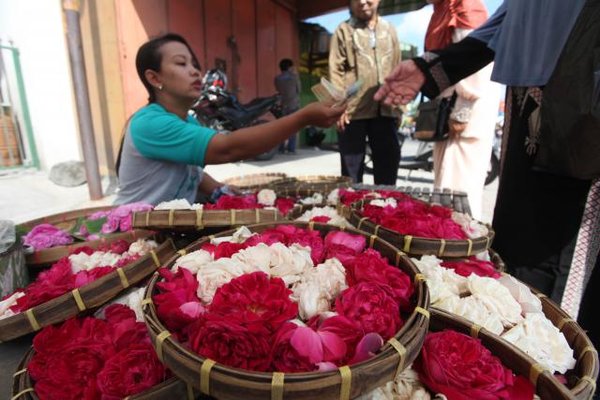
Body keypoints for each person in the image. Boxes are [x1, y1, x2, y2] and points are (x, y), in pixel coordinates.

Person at [375, 0, 600, 349]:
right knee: (515, 259)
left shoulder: (466, 10)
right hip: (529, 100)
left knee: (558, 287)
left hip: (580, 107)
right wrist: (429, 68)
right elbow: (510, 20)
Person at [115, 33, 344, 205]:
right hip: (135, 237)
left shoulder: (188, 122)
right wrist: (303, 118)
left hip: (168, 230)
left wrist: (230, 193)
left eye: (194, 64)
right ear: (154, 78)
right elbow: (228, 148)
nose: (195, 71)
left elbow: (193, 173)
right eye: (181, 63)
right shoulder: (149, 123)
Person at [425, 0, 500, 221]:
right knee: (445, 185)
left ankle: (463, 249)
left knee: (458, 186)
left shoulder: (464, 6)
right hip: (448, 109)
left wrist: (462, 111)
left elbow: (476, 65)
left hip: (465, 110)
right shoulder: (441, 9)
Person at [328, 0, 402, 185]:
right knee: (351, 173)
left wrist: (399, 106)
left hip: (386, 109)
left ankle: (386, 210)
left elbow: (398, 66)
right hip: (351, 113)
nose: (362, 2)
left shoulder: (389, 29)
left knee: (388, 168)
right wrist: (339, 106)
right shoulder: (343, 30)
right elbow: (335, 71)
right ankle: (352, 210)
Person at [274, 58, 301, 154]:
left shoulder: (277, 79)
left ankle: (281, 148)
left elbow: (278, 90)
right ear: (289, 67)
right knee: (293, 127)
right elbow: (299, 90)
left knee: (282, 127)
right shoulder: (294, 77)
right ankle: (291, 148)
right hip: (293, 104)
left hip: (282, 105)